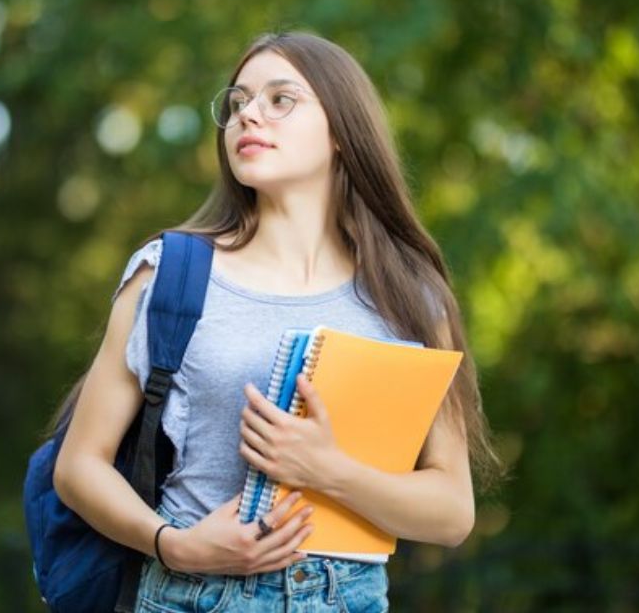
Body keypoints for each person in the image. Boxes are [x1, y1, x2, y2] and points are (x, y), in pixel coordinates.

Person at [52, 31, 500, 612]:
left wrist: (327, 470)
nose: (248, 116)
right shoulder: (168, 275)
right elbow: (78, 466)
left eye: (280, 100)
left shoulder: (410, 297)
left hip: (348, 599)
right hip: (190, 597)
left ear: (342, 131)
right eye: (237, 103)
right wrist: (176, 547)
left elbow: (452, 512)